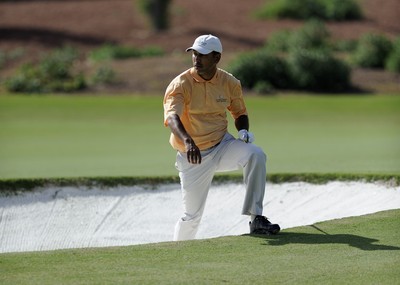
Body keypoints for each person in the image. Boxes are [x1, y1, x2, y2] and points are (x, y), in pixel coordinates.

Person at [163, 34, 280, 241]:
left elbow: (239, 112)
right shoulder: (180, 84)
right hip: (193, 155)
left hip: (222, 145)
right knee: (192, 216)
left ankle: (256, 218)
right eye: (195, 54)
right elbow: (172, 118)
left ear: (217, 58)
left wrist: (243, 131)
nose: (197, 59)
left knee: (256, 154)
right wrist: (188, 141)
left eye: (203, 55)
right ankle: (178, 253)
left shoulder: (229, 82)